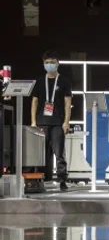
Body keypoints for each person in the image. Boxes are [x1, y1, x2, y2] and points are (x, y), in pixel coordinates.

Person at [29, 51, 73, 191]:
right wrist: (33, 122)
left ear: (58, 63)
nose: (50, 65)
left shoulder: (64, 81)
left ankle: (62, 180)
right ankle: (40, 179)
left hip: (58, 122)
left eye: (52, 62)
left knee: (59, 152)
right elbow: (34, 102)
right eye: (47, 62)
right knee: (40, 152)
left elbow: (67, 103)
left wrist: (66, 122)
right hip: (42, 121)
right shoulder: (39, 81)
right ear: (43, 64)